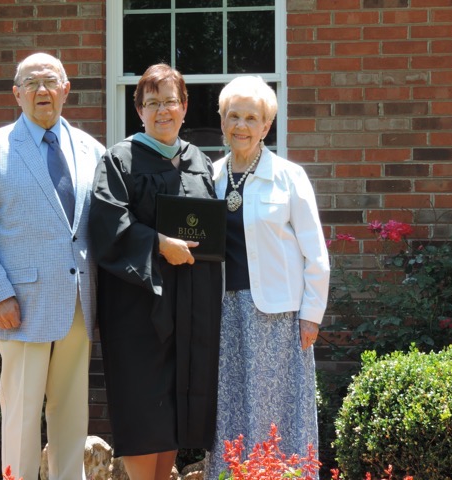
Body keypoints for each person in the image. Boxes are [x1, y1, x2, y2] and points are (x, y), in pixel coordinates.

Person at [0, 52, 105, 480]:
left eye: (51, 82)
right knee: (22, 414)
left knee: (72, 414)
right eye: (32, 83)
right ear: (16, 94)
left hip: (79, 305)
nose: (43, 91)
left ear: (66, 91)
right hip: (18, 307)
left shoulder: (91, 150)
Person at [89, 64, 223, 480]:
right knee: (143, 403)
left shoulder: (199, 160)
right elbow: (107, 227)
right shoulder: (120, 160)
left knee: (173, 411)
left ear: (185, 107)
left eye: (170, 101)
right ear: (139, 111)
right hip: (139, 307)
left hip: (191, 306)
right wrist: (159, 244)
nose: (162, 110)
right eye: (152, 103)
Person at [204, 76, 330, 479]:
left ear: (266, 126)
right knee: (231, 408)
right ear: (222, 122)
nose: (241, 125)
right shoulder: (209, 176)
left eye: (251, 118)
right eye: (233, 116)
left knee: (278, 412)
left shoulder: (289, 177)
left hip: (278, 318)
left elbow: (316, 253)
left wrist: (311, 314)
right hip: (223, 314)